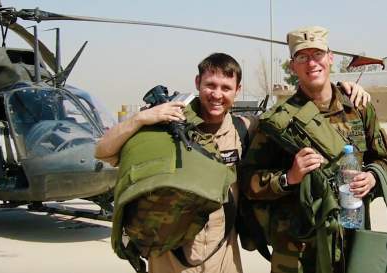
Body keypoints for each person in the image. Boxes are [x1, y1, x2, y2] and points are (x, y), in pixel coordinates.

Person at [95, 52, 369, 273]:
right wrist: (142, 118)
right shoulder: (168, 124)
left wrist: (343, 89)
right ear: (197, 83)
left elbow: (290, 117)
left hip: (223, 253)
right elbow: (103, 151)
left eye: (226, 88)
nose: (217, 94)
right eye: (210, 85)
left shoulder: (244, 128)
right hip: (171, 253)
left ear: (237, 90)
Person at [239, 26, 387, 273]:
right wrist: (289, 177)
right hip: (297, 249)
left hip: (352, 239)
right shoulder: (279, 122)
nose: (311, 63)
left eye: (317, 54)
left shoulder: (359, 108)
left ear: (330, 57)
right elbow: (247, 181)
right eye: (302, 57)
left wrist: (372, 177)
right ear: (292, 66)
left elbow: (383, 157)